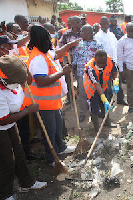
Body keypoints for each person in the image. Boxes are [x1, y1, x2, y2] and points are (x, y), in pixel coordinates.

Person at [23, 25, 78, 165]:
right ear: (43, 39)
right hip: (42, 103)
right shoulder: (38, 58)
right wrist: (62, 72)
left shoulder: (44, 53)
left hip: (52, 102)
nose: (51, 40)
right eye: (48, 38)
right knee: (49, 131)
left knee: (58, 125)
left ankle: (61, 147)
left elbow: (57, 54)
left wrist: (69, 45)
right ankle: (52, 158)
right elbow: (41, 81)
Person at [0, 53, 47, 200]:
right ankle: (3, 194)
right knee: (6, 160)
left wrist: (25, 71)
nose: (20, 83)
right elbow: (2, 121)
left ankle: (27, 182)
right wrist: (28, 110)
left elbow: (28, 81)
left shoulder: (14, 77)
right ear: (5, 79)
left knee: (19, 154)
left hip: (11, 123)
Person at [83, 50, 119, 134]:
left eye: (103, 63)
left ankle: (107, 122)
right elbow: (96, 84)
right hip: (92, 89)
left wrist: (115, 82)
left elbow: (115, 72)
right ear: (94, 59)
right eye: (98, 62)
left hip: (103, 86)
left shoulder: (111, 61)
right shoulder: (89, 67)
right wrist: (103, 98)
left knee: (104, 106)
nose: (101, 65)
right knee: (94, 108)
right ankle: (96, 128)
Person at [73, 25, 104, 122]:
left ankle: (95, 112)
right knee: (82, 94)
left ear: (89, 33)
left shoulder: (98, 44)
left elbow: (103, 60)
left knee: (95, 94)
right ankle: (83, 113)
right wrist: (73, 69)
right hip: (81, 74)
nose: (80, 33)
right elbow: (75, 59)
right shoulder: (78, 44)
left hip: (94, 75)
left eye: (82, 31)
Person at [95, 16, 127, 107]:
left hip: (115, 63)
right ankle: (109, 102)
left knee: (118, 82)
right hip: (105, 65)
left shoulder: (111, 34)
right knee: (107, 85)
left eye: (106, 23)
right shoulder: (98, 36)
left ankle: (120, 99)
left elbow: (116, 47)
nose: (105, 25)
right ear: (100, 24)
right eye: (103, 23)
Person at [58, 16, 82, 105]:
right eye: (78, 22)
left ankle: (82, 100)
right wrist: (70, 45)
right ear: (73, 24)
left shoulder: (84, 32)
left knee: (81, 82)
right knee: (69, 81)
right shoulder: (66, 34)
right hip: (70, 62)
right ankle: (71, 99)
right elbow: (60, 46)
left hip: (81, 63)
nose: (80, 23)